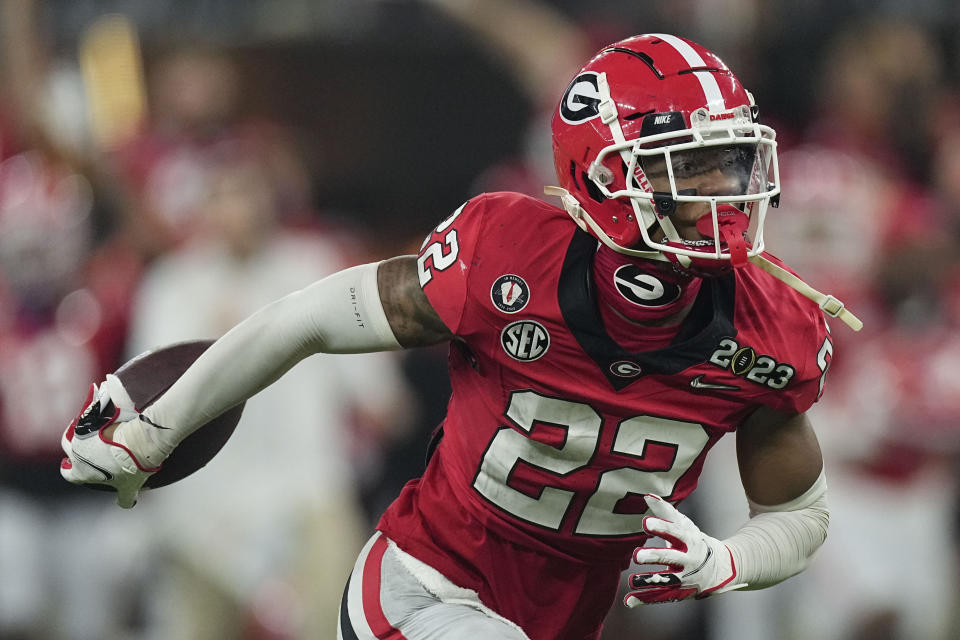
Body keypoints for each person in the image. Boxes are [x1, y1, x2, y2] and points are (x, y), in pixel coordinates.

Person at [60, 34, 860, 640]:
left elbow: (799, 514)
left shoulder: (773, 327)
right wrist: (154, 429)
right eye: (700, 166)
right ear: (611, 175)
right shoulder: (510, 258)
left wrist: (728, 561)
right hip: (423, 588)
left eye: (736, 163)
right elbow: (305, 319)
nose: (732, 193)